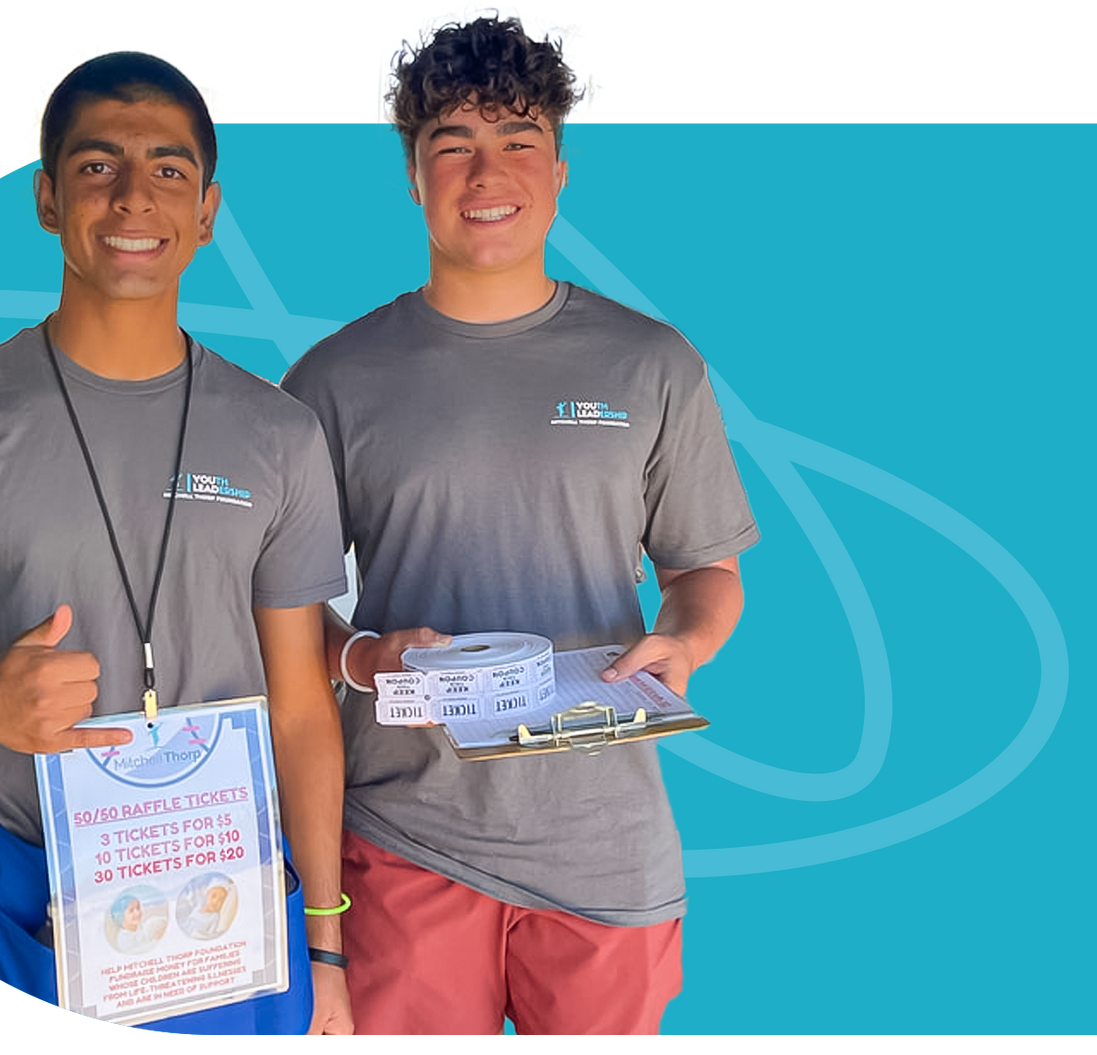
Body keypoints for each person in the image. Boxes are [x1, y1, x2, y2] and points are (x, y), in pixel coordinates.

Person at [0, 49, 354, 1037]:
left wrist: (324, 946)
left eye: (168, 169)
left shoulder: (279, 435)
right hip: (23, 895)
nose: (133, 197)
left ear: (206, 211)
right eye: (98, 165)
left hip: (228, 898)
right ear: (48, 199)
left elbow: (300, 707)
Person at [280, 15, 758, 1038]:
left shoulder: (653, 363)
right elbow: (274, 614)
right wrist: (361, 656)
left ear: (560, 170)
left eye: (518, 139)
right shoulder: (332, 380)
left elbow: (705, 572)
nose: (486, 171)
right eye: (453, 143)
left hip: (605, 845)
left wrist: (685, 642)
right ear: (414, 176)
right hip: (404, 835)